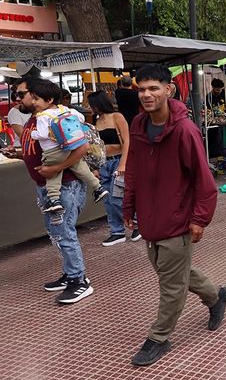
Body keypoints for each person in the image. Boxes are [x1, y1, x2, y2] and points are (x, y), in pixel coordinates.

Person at [124, 64, 226, 366]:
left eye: (153, 88)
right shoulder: (139, 125)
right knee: (171, 271)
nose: (146, 94)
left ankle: (158, 337)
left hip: (177, 218)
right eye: (141, 89)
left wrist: (199, 219)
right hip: (150, 217)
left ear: (168, 90)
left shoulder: (184, 130)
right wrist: (128, 205)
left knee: (170, 284)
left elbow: (204, 181)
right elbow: (134, 169)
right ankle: (216, 296)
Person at [2, 77, 94, 304]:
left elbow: (82, 147)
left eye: (23, 94)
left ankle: (79, 281)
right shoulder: (37, 119)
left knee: (64, 232)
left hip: (65, 184)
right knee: (57, 233)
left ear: (44, 97)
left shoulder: (58, 118)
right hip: (46, 186)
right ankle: (70, 273)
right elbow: (42, 151)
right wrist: (20, 154)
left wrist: (56, 168)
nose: (19, 99)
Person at [28, 79, 108, 213]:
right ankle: (98, 188)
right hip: (71, 147)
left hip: (52, 151)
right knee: (81, 168)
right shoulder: (65, 109)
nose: (33, 102)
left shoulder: (42, 116)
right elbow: (81, 118)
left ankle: (54, 200)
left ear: (49, 99)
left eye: (36, 99)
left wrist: (33, 134)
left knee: (53, 175)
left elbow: (42, 134)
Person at [87, 90, 141, 245]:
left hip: (118, 160)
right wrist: (95, 167)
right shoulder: (96, 121)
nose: (91, 108)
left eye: (92, 105)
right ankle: (117, 231)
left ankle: (137, 222)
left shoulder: (117, 117)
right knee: (107, 199)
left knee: (117, 197)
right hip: (104, 162)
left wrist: (124, 163)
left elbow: (127, 141)